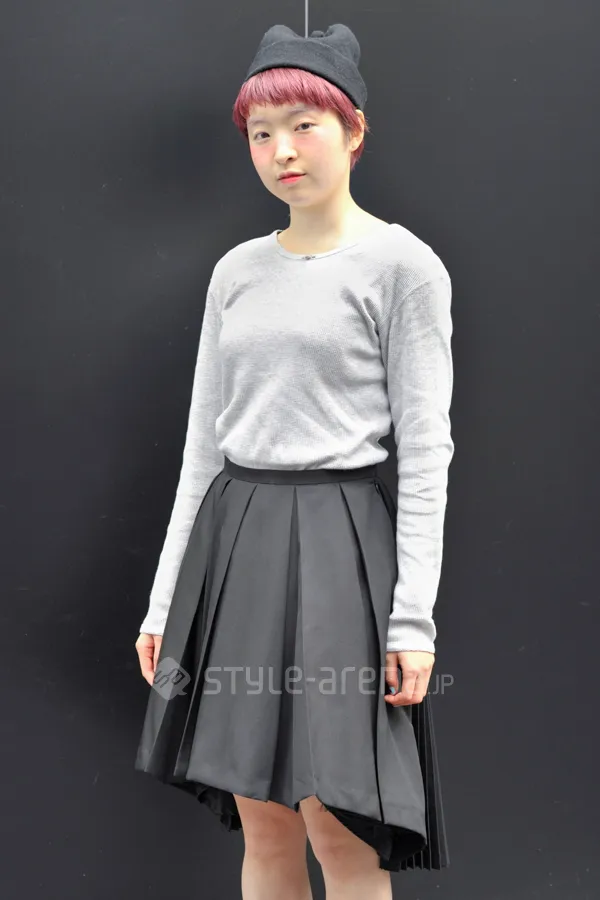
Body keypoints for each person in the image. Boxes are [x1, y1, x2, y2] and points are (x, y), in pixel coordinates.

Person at [134, 23, 455, 900]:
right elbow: (203, 449)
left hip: (340, 551)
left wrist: (412, 623)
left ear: (353, 131)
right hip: (235, 545)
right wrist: (165, 600)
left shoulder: (402, 266)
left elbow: (427, 451)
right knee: (264, 821)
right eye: (260, 132)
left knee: (339, 825)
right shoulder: (236, 272)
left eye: (303, 126)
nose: (281, 151)